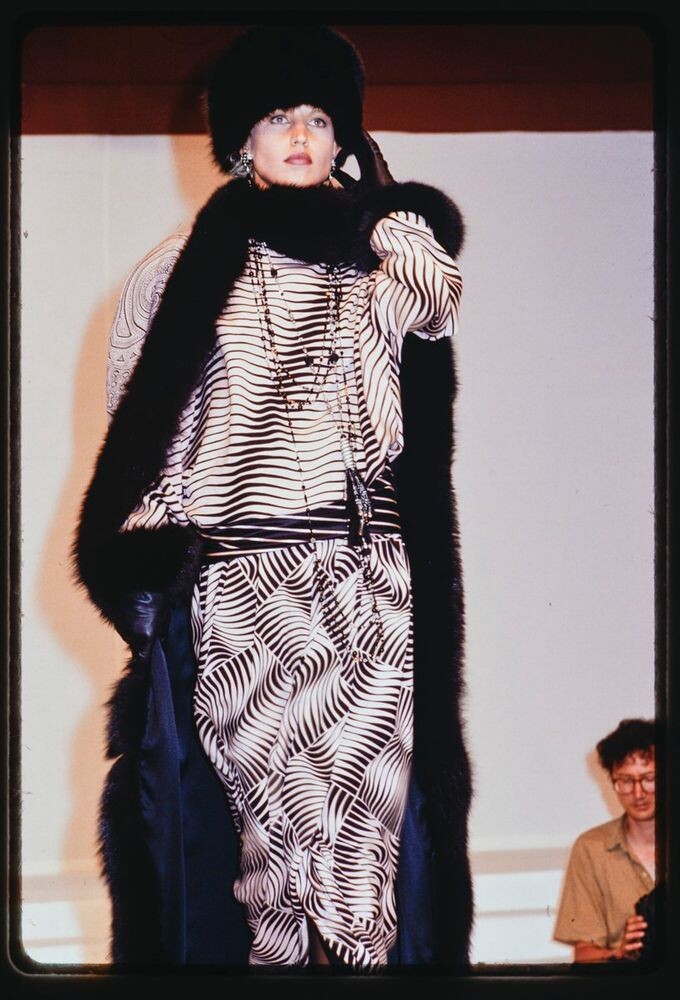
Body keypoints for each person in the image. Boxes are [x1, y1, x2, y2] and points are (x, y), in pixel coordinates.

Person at [75, 25, 472, 969]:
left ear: (346, 139)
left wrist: (385, 210)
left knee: (362, 849)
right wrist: (155, 558)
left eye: (322, 119)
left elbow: (438, 295)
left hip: (363, 581)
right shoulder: (178, 269)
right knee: (270, 856)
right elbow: (145, 423)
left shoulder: (379, 262)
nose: (300, 134)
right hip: (243, 586)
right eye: (278, 116)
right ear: (239, 139)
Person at [553, 718, 657, 963]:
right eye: (625, 781)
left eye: (649, 778)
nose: (639, 793)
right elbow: (583, 954)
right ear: (612, 782)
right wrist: (621, 954)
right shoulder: (592, 848)